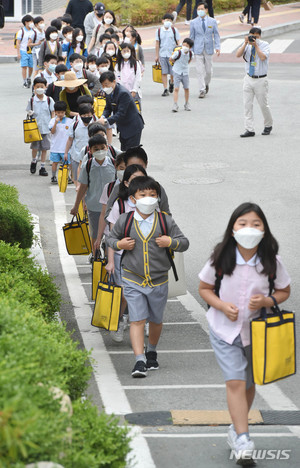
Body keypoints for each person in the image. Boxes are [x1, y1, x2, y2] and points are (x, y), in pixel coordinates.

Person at [198, 202, 290, 462]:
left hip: (258, 332)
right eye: (243, 223)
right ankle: (243, 438)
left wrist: (266, 302)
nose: (249, 228)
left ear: (264, 230)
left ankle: (236, 428)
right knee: (236, 381)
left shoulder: (272, 261)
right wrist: (221, 306)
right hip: (224, 330)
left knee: (250, 384)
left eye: (256, 224)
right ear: (233, 228)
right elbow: (204, 288)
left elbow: (283, 291)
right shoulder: (220, 257)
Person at [107, 175, 189, 377]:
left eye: (153, 195)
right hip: (132, 278)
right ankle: (139, 360)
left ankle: (151, 350)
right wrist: (120, 245)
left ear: (158, 198)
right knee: (137, 320)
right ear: (133, 199)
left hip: (159, 280)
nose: (148, 198)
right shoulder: (125, 220)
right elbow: (110, 239)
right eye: (143, 195)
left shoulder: (165, 220)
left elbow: (184, 242)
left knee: (156, 320)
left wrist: (171, 242)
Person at [105, 164, 147, 343]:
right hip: (122, 258)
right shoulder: (120, 205)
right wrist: (110, 261)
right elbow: (112, 237)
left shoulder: (151, 204)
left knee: (143, 291)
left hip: (145, 258)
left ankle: (139, 320)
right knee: (123, 294)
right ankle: (119, 321)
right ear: (126, 183)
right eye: (134, 181)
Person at [70, 134, 115, 252]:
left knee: (111, 234)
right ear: (90, 150)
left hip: (112, 208)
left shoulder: (114, 164)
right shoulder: (88, 166)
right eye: (96, 149)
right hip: (94, 207)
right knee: (95, 233)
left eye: (102, 148)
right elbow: (83, 187)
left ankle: (107, 259)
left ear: (107, 147)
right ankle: (94, 256)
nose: (100, 151)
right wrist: (76, 206)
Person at [105, 146, 171, 222]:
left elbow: (166, 214)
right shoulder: (119, 188)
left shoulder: (157, 187)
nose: (137, 170)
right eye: (132, 167)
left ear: (146, 164)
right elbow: (108, 215)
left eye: (140, 166)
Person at [236, 27, 273, 138]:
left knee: (263, 105)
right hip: (248, 78)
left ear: (259, 36)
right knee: (247, 105)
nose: (254, 38)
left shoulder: (265, 45)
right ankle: (249, 129)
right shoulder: (247, 45)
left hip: (261, 79)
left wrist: (256, 45)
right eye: (252, 35)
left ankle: (268, 125)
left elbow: (262, 57)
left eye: (256, 36)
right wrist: (245, 43)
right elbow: (238, 55)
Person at [98, 71, 144, 151]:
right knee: (124, 151)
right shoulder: (109, 92)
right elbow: (108, 108)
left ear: (114, 82)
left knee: (131, 152)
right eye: (102, 85)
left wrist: (106, 121)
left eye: (106, 84)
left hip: (132, 126)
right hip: (123, 127)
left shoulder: (123, 93)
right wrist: (103, 116)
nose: (104, 87)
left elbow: (121, 113)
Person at [190, 2, 220, 98]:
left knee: (208, 71)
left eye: (202, 9)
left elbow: (216, 35)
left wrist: (217, 47)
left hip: (209, 47)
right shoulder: (193, 22)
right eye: (198, 9)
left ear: (206, 10)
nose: (200, 11)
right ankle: (201, 89)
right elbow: (191, 36)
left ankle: (206, 83)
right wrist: (190, 49)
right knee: (199, 70)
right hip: (197, 48)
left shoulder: (212, 21)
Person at [26, 76, 55, 176]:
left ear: (45, 87)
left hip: (46, 129)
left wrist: (52, 123)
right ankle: (34, 161)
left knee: (44, 148)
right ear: (34, 87)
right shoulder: (31, 100)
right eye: (37, 86)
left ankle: (42, 167)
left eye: (42, 86)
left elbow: (52, 112)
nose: (39, 88)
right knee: (35, 147)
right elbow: (28, 111)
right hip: (35, 129)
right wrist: (30, 113)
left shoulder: (49, 100)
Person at [64, 103, 96, 185]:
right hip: (76, 156)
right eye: (84, 115)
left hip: (92, 157)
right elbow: (70, 140)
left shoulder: (96, 124)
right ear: (80, 115)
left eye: (88, 115)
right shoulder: (75, 125)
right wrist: (66, 152)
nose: (86, 117)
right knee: (76, 178)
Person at [155, 13, 180, 97]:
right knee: (164, 72)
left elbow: (178, 42)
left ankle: (171, 82)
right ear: (163, 21)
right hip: (162, 54)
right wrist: (157, 55)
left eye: (170, 20)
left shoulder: (174, 30)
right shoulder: (158, 31)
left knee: (172, 72)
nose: (168, 22)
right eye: (166, 20)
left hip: (172, 55)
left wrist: (178, 53)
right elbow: (157, 43)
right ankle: (165, 89)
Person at [49, 100, 73, 183]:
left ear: (65, 112)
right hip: (55, 147)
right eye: (58, 112)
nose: (60, 114)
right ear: (55, 112)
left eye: (62, 112)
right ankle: (53, 176)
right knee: (55, 162)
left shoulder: (70, 121)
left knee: (66, 163)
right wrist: (55, 123)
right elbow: (52, 131)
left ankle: (66, 176)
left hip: (65, 148)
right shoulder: (52, 121)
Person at [115, 43, 142, 109]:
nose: (126, 53)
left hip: (134, 92)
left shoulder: (136, 63)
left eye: (128, 51)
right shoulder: (118, 65)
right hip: (122, 92)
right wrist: (122, 90)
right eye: (124, 51)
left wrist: (134, 90)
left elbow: (138, 77)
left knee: (136, 111)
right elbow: (117, 78)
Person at [170, 37, 194, 112]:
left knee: (186, 88)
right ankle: (175, 104)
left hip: (185, 72)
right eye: (183, 45)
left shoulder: (190, 54)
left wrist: (185, 65)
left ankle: (186, 103)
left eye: (187, 46)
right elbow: (171, 58)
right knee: (176, 88)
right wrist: (175, 63)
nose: (184, 47)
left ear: (190, 47)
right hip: (177, 71)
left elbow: (189, 60)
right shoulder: (178, 52)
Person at [16, 14, 35, 88]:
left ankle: (29, 78)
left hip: (31, 52)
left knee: (31, 66)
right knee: (24, 66)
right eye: (30, 21)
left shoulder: (33, 31)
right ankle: (24, 81)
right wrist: (18, 53)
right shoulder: (21, 31)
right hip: (23, 51)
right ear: (26, 22)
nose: (31, 23)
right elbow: (18, 42)